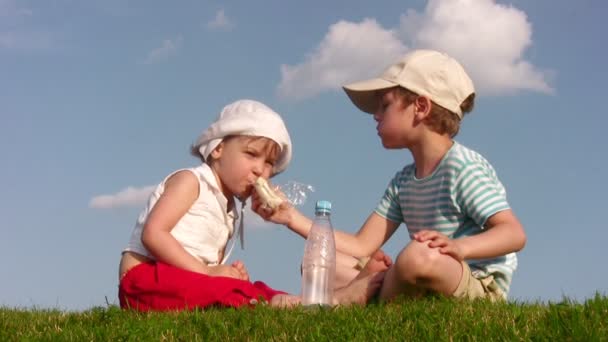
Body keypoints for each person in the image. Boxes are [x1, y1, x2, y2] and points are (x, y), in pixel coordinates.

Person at [256, 50, 526, 301]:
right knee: (320, 262)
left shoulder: (463, 167)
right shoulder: (403, 181)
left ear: (421, 107)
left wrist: (460, 248)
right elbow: (362, 246)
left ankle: (348, 300)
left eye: (384, 105)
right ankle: (366, 294)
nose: (376, 115)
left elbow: (513, 233)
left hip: (472, 282)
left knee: (417, 257)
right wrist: (290, 217)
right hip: (424, 282)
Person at [118, 99, 386, 311]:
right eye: (251, 154)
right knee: (226, 293)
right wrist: (207, 273)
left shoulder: (229, 206)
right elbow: (154, 234)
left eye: (269, 163)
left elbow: (203, 256)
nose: (261, 170)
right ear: (217, 149)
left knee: (256, 288)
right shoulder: (191, 181)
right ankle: (298, 304)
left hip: (185, 282)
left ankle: (316, 301)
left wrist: (225, 271)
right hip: (144, 281)